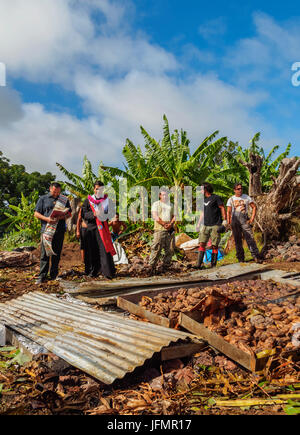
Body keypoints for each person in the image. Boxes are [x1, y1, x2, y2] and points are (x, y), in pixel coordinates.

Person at [34, 182, 72, 284]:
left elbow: (69, 214)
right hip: (46, 230)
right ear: (50, 189)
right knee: (44, 254)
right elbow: (36, 213)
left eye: (58, 192)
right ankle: (42, 276)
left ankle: (54, 275)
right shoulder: (43, 199)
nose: (56, 194)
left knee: (56, 253)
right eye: (55, 191)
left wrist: (60, 217)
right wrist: (47, 219)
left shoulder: (64, 199)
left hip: (59, 230)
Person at [81, 181, 116, 279]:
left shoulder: (108, 201)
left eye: (100, 189)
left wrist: (105, 214)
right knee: (92, 250)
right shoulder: (88, 201)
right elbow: (84, 214)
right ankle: (93, 271)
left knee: (104, 250)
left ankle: (107, 272)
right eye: (97, 189)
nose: (98, 191)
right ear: (94, 189)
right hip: (91, 228)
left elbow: (112, 213)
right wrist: (94, 214)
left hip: (103, 228)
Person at [226, 182, 262, 263]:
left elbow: (254, 207)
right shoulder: (231, 199)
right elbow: (228, 211)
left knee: (250, 238)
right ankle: (240, 259)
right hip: (234, 222)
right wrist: (229, 222)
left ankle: (256, 256)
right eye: (238, 189)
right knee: (238, 240)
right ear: (234, 190)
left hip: (244, 220)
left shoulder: (246, 197)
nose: (240, 190)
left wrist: (252, 218)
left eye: (241, 188)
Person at [196, 182, 226, 269]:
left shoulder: (216, 197)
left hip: (215, 224)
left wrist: (225, 221)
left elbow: (222, 208)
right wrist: (198, 223)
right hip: (205, 225)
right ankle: (198, 264)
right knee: (201, 243)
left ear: (205, 189)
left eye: (201, 189)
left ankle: (213, 265)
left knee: (214, 245)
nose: (200, 190)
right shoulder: (204, 200)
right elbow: (202, 213)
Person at [149, 189, 176, 275]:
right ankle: (151, 267)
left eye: (166, 195)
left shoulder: (171, 205)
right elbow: (155, 216)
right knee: (156, 248)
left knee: (170, 249)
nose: (165, 196)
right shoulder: (156, 204)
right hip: (159, 229)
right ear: (160, 195)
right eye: (163, 195)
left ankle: (165, 267)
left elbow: (175, 216)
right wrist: (164, 224)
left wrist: (171, 224)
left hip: (170, 230)